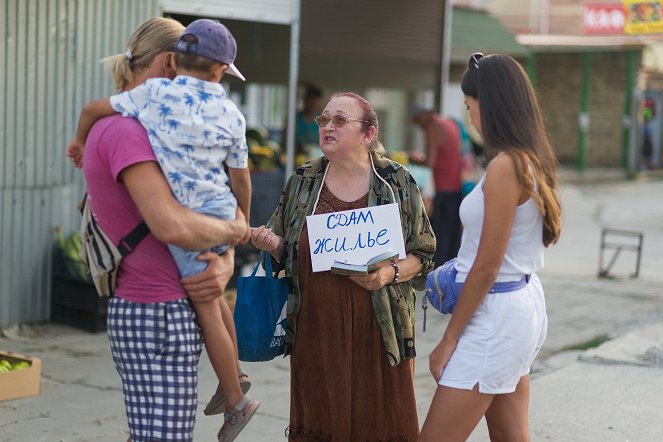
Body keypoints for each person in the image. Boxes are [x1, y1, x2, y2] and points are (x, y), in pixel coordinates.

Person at [71, 17, 257, 442]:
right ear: (168, 60)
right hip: (156, 311)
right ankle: (236, 391)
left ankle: (235, 382)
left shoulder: (151, 111)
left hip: (170, 306)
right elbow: (170, 224)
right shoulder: (128, 129)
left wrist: (225, 260)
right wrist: (238, 228)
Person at [250, 92, 436, 441]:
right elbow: (284, 245)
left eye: (339, 120)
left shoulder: (396, 181)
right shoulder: (305, 179)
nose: (327, 127)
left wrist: (388, 274)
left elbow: (423, 255)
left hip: (380, 332)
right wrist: (270, 243)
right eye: (323, 120)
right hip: (316, 330)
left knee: (378, 421)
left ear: (368, 134)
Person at [419, 53, 562, 442]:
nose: (469, 117)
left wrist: (447, 340)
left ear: (491, 103)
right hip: (518, 304)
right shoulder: (530, 159)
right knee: (510, 434)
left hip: (496, 312)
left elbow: (486, 265)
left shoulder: (506, 166)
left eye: (470, 106)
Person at [411, 105, 463, 268]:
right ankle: (452, 269)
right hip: (456, 187)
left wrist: (412, 159)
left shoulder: (433, 128)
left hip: (443, 188)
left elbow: (431, 162)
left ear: (424, 116)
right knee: (452, 234)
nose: (419, 126)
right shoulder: (450, 123)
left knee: (440, 234)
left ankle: (440, 271)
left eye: (417, 121)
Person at [294, 84, 323, 156]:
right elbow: (286, 140)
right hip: (297, 157)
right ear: (305, 100)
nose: (313, 104)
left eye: (316, 101)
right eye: (311, 100)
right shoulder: (295, 119)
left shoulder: (322, 119)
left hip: (317, 157)